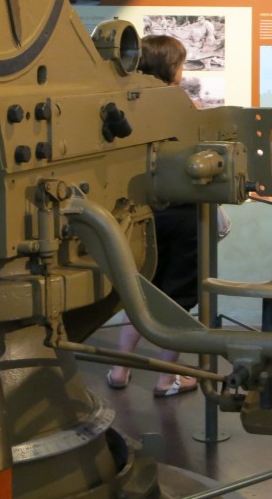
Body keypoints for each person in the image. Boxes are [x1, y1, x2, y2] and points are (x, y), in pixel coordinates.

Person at [105, 34, 204, 397]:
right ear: (170, 66)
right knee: (175, 300)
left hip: (137, 216)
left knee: (138, 293)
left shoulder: (122, 104)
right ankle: (167, 378)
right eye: (180, 63)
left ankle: (120, 371)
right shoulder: (181, 107)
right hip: (181, 218)